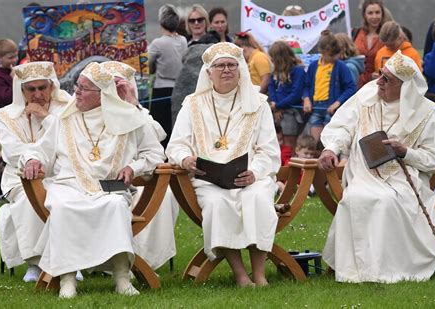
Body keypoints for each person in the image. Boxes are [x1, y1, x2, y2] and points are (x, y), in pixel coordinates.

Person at [21, 62, 166, 298]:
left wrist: (133, 166)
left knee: (116, 206)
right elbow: (39, 150)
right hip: (68, 185)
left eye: (84, 88)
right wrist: (31, 161)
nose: (76, 91)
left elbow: (154, 154)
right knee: (62, 207)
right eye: (77, 85)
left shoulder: (129, 118)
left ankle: (121, 278)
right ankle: (67, 280)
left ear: (102, 94)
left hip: (108, 188)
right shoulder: (63, 118)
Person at [318, 51, 435, 283]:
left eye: (387, 79)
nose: (378, 81)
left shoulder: (425, 113)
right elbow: (342, 127)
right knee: (356, 199)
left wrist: (405, 152)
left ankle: (385, 271)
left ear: (405, 87)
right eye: (380, 74)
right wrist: (331, 149)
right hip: (363, 174)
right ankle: (356, 272)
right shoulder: (367, 95)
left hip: (404, 180)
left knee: (385, 202)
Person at [166, 42, 280, 287]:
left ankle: (259, 274)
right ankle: (240, 275)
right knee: (219, 204)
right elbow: (176, 145)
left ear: (240, 70)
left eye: (232, 65)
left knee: (258, 199)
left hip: (250, 178)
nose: (226, 70)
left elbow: (269, 150)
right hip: (210, 181)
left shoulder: (258, 104)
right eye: (220, 66)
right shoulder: (193, 104)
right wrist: (185, 159)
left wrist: (255, 173)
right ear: (208, 72)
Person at [0, 61, 71, 282]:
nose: (38, 94)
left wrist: (46, 118)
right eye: (31, 89)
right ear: (22, 90)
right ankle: (36, 263)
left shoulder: (67, 108)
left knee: (69, 198)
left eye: (42, 87)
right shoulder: (6, 116)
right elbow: (12, 152)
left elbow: (70, 141)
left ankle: (70, 260)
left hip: (62, 174)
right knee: (31, 197)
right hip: (20, 177)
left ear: (52, 86)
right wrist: (32, 159)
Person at [102, 60, 178, 271]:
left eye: (121, 85)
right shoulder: (93, 113)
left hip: (139, 178)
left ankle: (145, 260)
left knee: (166, 194)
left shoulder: (137, 111)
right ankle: (113, 260)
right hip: (105, 182)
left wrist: (132, 103)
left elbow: (155, 140)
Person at [303, 30, 357, 143]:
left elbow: (351, 88)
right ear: (322, 52)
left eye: (337, 54)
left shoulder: (341, 66)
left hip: (332, 109)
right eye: (332, 55)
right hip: (316, 108)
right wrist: (306, 99)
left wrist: (338, 102)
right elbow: (306, 85)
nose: (335, 57)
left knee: (328, 143)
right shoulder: (313, 66)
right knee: (314, 142)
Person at [147, 4, 187, 148]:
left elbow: (148, 65)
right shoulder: (183, 41)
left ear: (161, 22)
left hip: (161, 89)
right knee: (175, 125)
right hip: (178, 89)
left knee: (161, 126)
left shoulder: (157, 43)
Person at [267, 41, 306, 155]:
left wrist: (279, 105)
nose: (272, 60)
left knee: (289, 143)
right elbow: (271, 87)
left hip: (291, 112)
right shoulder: (275, 72)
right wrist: (275, 105)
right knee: (276, 141)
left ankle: (290, 166)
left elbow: (296, 94)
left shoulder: (298, 71)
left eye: (273, 57)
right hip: (276, 110)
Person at [352, 0, 387, 87]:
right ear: (364, 15)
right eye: (370, 13)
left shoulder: (387, 35)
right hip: (356, 86)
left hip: (379, 86)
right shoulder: (355, 33)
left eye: (377, 12)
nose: (374, 16)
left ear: (382, 14)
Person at [0, 39, 18, 108]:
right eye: (10, 57)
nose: (14, 60)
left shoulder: (16, 69)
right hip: (8, 112)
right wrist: (15, 80)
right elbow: (7, 99)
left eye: (16, 56)